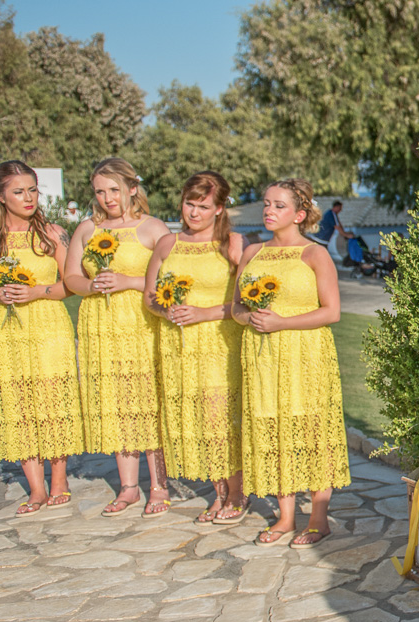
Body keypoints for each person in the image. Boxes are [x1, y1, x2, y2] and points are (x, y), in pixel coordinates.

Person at [233, 178, 350, 546]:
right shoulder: (251, 253)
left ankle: (318, 516)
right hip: (262, 356)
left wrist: (281, 322)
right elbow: (235, 307)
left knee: (313, 430)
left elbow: (332, 312)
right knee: (272, 428)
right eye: (266, 203)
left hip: (306, 354)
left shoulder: (315, 254)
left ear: (300, 214)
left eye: (278, 205)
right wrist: (248, 318)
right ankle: (285, 517)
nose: (268, 210)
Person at [0, 161, 84, 513]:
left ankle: (59, 479)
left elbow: (71, 283)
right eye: (19, 191)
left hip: (48, 323)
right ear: (1, 196)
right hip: (3, 328)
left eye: (33, 189)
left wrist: (38, 291)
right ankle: (35, 487)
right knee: (16, 403)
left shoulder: (52, 233)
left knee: (51, 399)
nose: (28, 197)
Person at [65, 158, 172, 517]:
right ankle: (128, 487)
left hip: (141, 324)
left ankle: (158, 485)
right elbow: (71, 279)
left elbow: (171, 281)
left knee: (146, 402)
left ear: (131, 188)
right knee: (116, 403)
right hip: (101, 327)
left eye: (114, 189)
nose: (108, 197)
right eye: (100, 191)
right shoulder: (87, 229)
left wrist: (128, 281)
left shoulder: (153, 228)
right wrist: (91, 285)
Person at [146, 171, 247, 524]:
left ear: (219, 208)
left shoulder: (233, 243)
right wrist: (166, 308)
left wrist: (204, 312)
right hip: (177, 345)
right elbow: (149, 297)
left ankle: (237, 493)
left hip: (219, 344)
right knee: (200, 420)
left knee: (222, 419)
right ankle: (219, 493)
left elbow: (245, 301)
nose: (193, 212)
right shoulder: (167, 244)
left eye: (203, 206)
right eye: (189, 203)